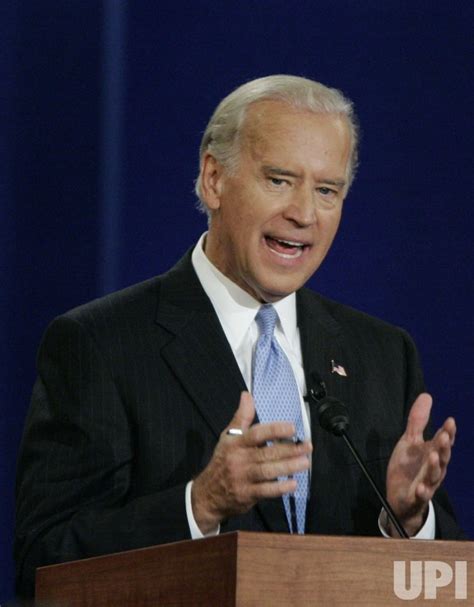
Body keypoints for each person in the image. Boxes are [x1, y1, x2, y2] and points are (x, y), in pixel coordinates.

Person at [15, 75, 464, 598]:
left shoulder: (383, 354)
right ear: (214, 180)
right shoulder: (99, 344)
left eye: (327, 190)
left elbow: (444, 581)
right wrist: (198, 506)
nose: (303, 213)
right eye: (279, 180)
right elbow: (42, 563)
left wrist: (408, 523)